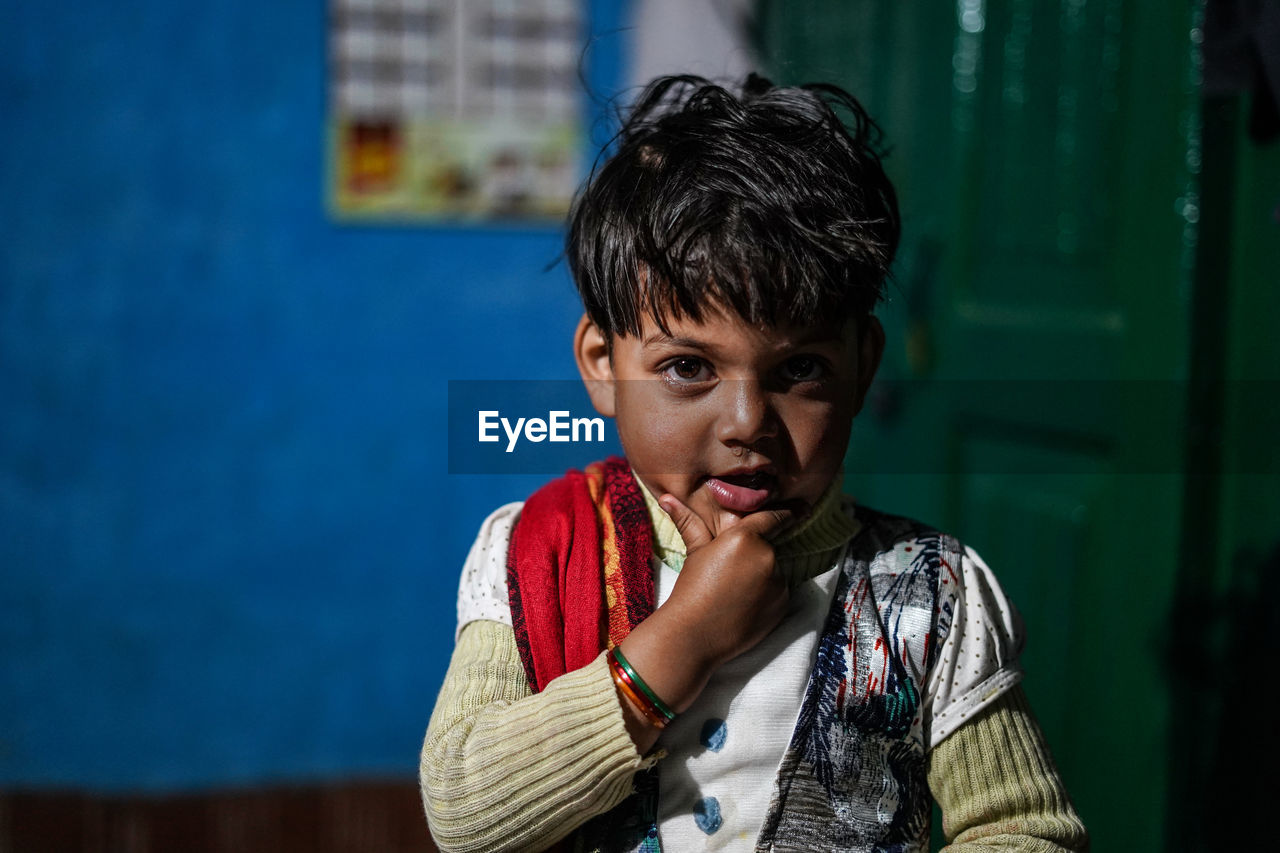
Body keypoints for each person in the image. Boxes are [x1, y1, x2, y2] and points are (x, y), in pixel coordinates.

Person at [420, 73, 1088, 852]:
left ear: (862, 364)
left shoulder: (930, 594)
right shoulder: (535, 552)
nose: (746, 424)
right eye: (687, 368)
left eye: (799, 369)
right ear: (602, 363)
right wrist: (682, 642)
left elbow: (1025, 830)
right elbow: (465, 814)